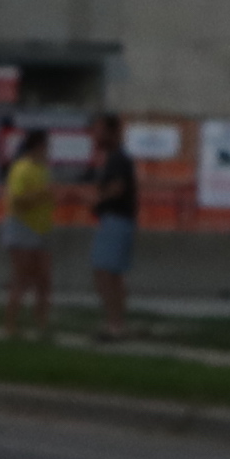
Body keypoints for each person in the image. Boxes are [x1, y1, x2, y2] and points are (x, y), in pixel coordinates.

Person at [77, 108, 143, 343]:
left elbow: (117, 188)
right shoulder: (116, 158)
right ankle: (115, 322)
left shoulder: (117, 158)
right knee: (111, 274)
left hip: (115, 220)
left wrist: (96, 199)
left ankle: (114, 324)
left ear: (112, 131)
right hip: (116, 220)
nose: (95, 134)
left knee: (105, 272)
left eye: (99, 129)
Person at [0, 126, 61, 342]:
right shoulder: (22, 168)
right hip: (22, 227)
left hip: (42, 227)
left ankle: (41, 324)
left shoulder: (43, 169)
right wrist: (43, 194)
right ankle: (10, 325)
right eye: (46, 146)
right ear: (38, 146)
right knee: (21, 278)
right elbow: (17, 201)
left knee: (44, 279)